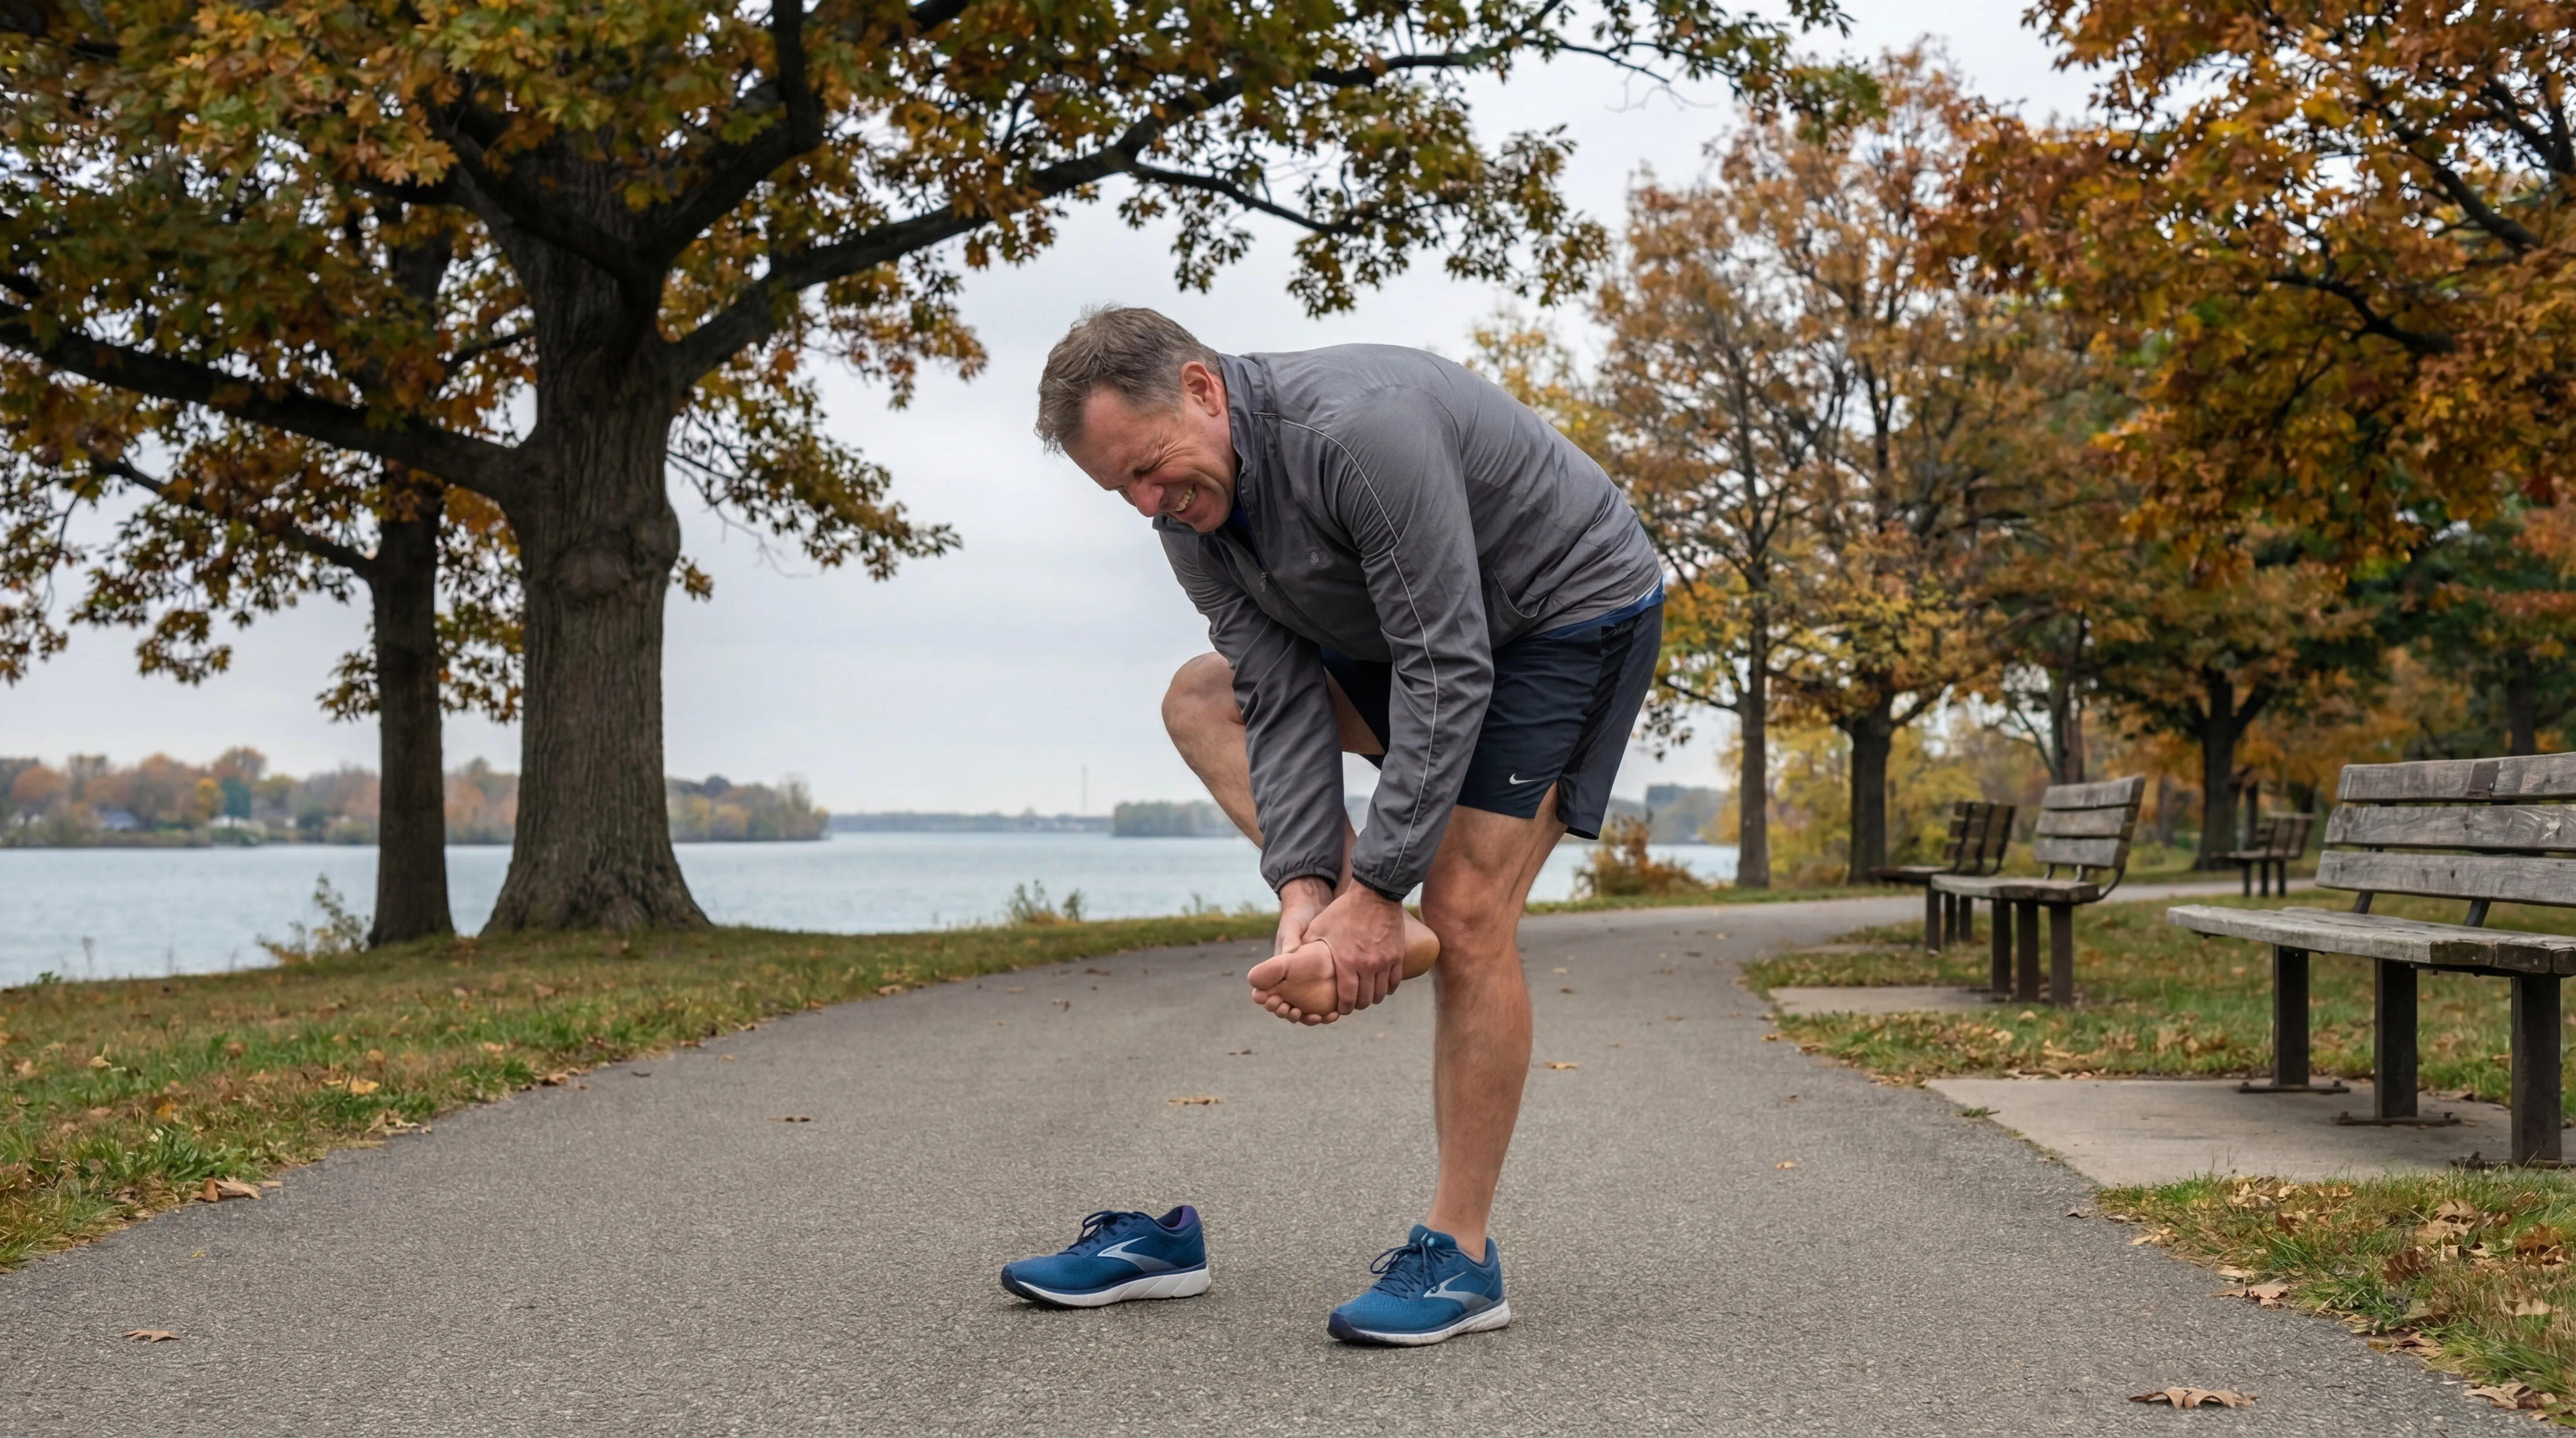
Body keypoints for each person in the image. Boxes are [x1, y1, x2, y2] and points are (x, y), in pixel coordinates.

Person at [1025, 305, 1662, 1347]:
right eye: (1123, 491)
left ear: (1200, 388)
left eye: (1152, 468)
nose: (1152, 505)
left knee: (1465, 912)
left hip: (1559, 617)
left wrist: (1383, 891)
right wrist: (1309, 895)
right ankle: (1378, 924)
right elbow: (1275, 695)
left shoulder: (1358, 434)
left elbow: (1449, 667)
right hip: (1408, 629)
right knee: (1204, 696)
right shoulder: (1188, 521)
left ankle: (1460, 1260)